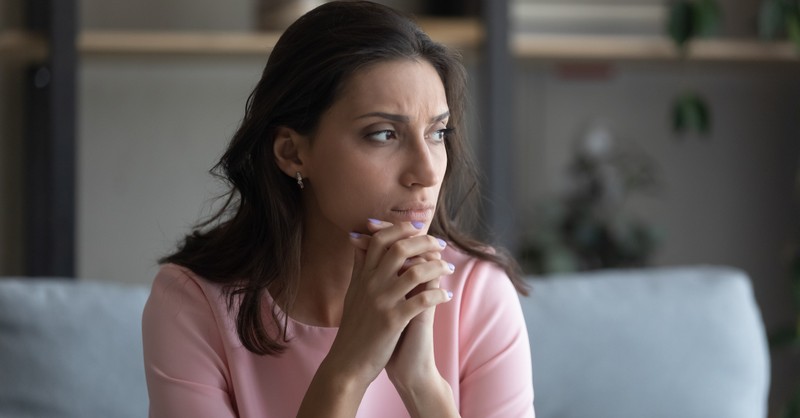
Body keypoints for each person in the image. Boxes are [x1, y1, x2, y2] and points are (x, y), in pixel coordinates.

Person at [141, 1, 535, 417]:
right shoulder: (193, 302)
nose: (425, 171)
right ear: (292, 153)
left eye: (437, 133)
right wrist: (348, 369)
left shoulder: (477, 292)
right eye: (383, 134)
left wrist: (421, 384)